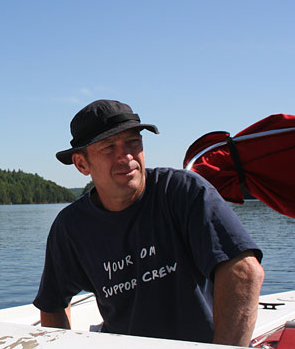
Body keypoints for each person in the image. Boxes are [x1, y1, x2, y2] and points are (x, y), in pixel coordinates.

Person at [33, 99, 264, 346]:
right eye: (109, 147)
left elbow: (244, 273)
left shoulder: (183, 192)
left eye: (133, 142)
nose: (127, 156)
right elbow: (53, 304)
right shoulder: (71, 227)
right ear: (82, 164)